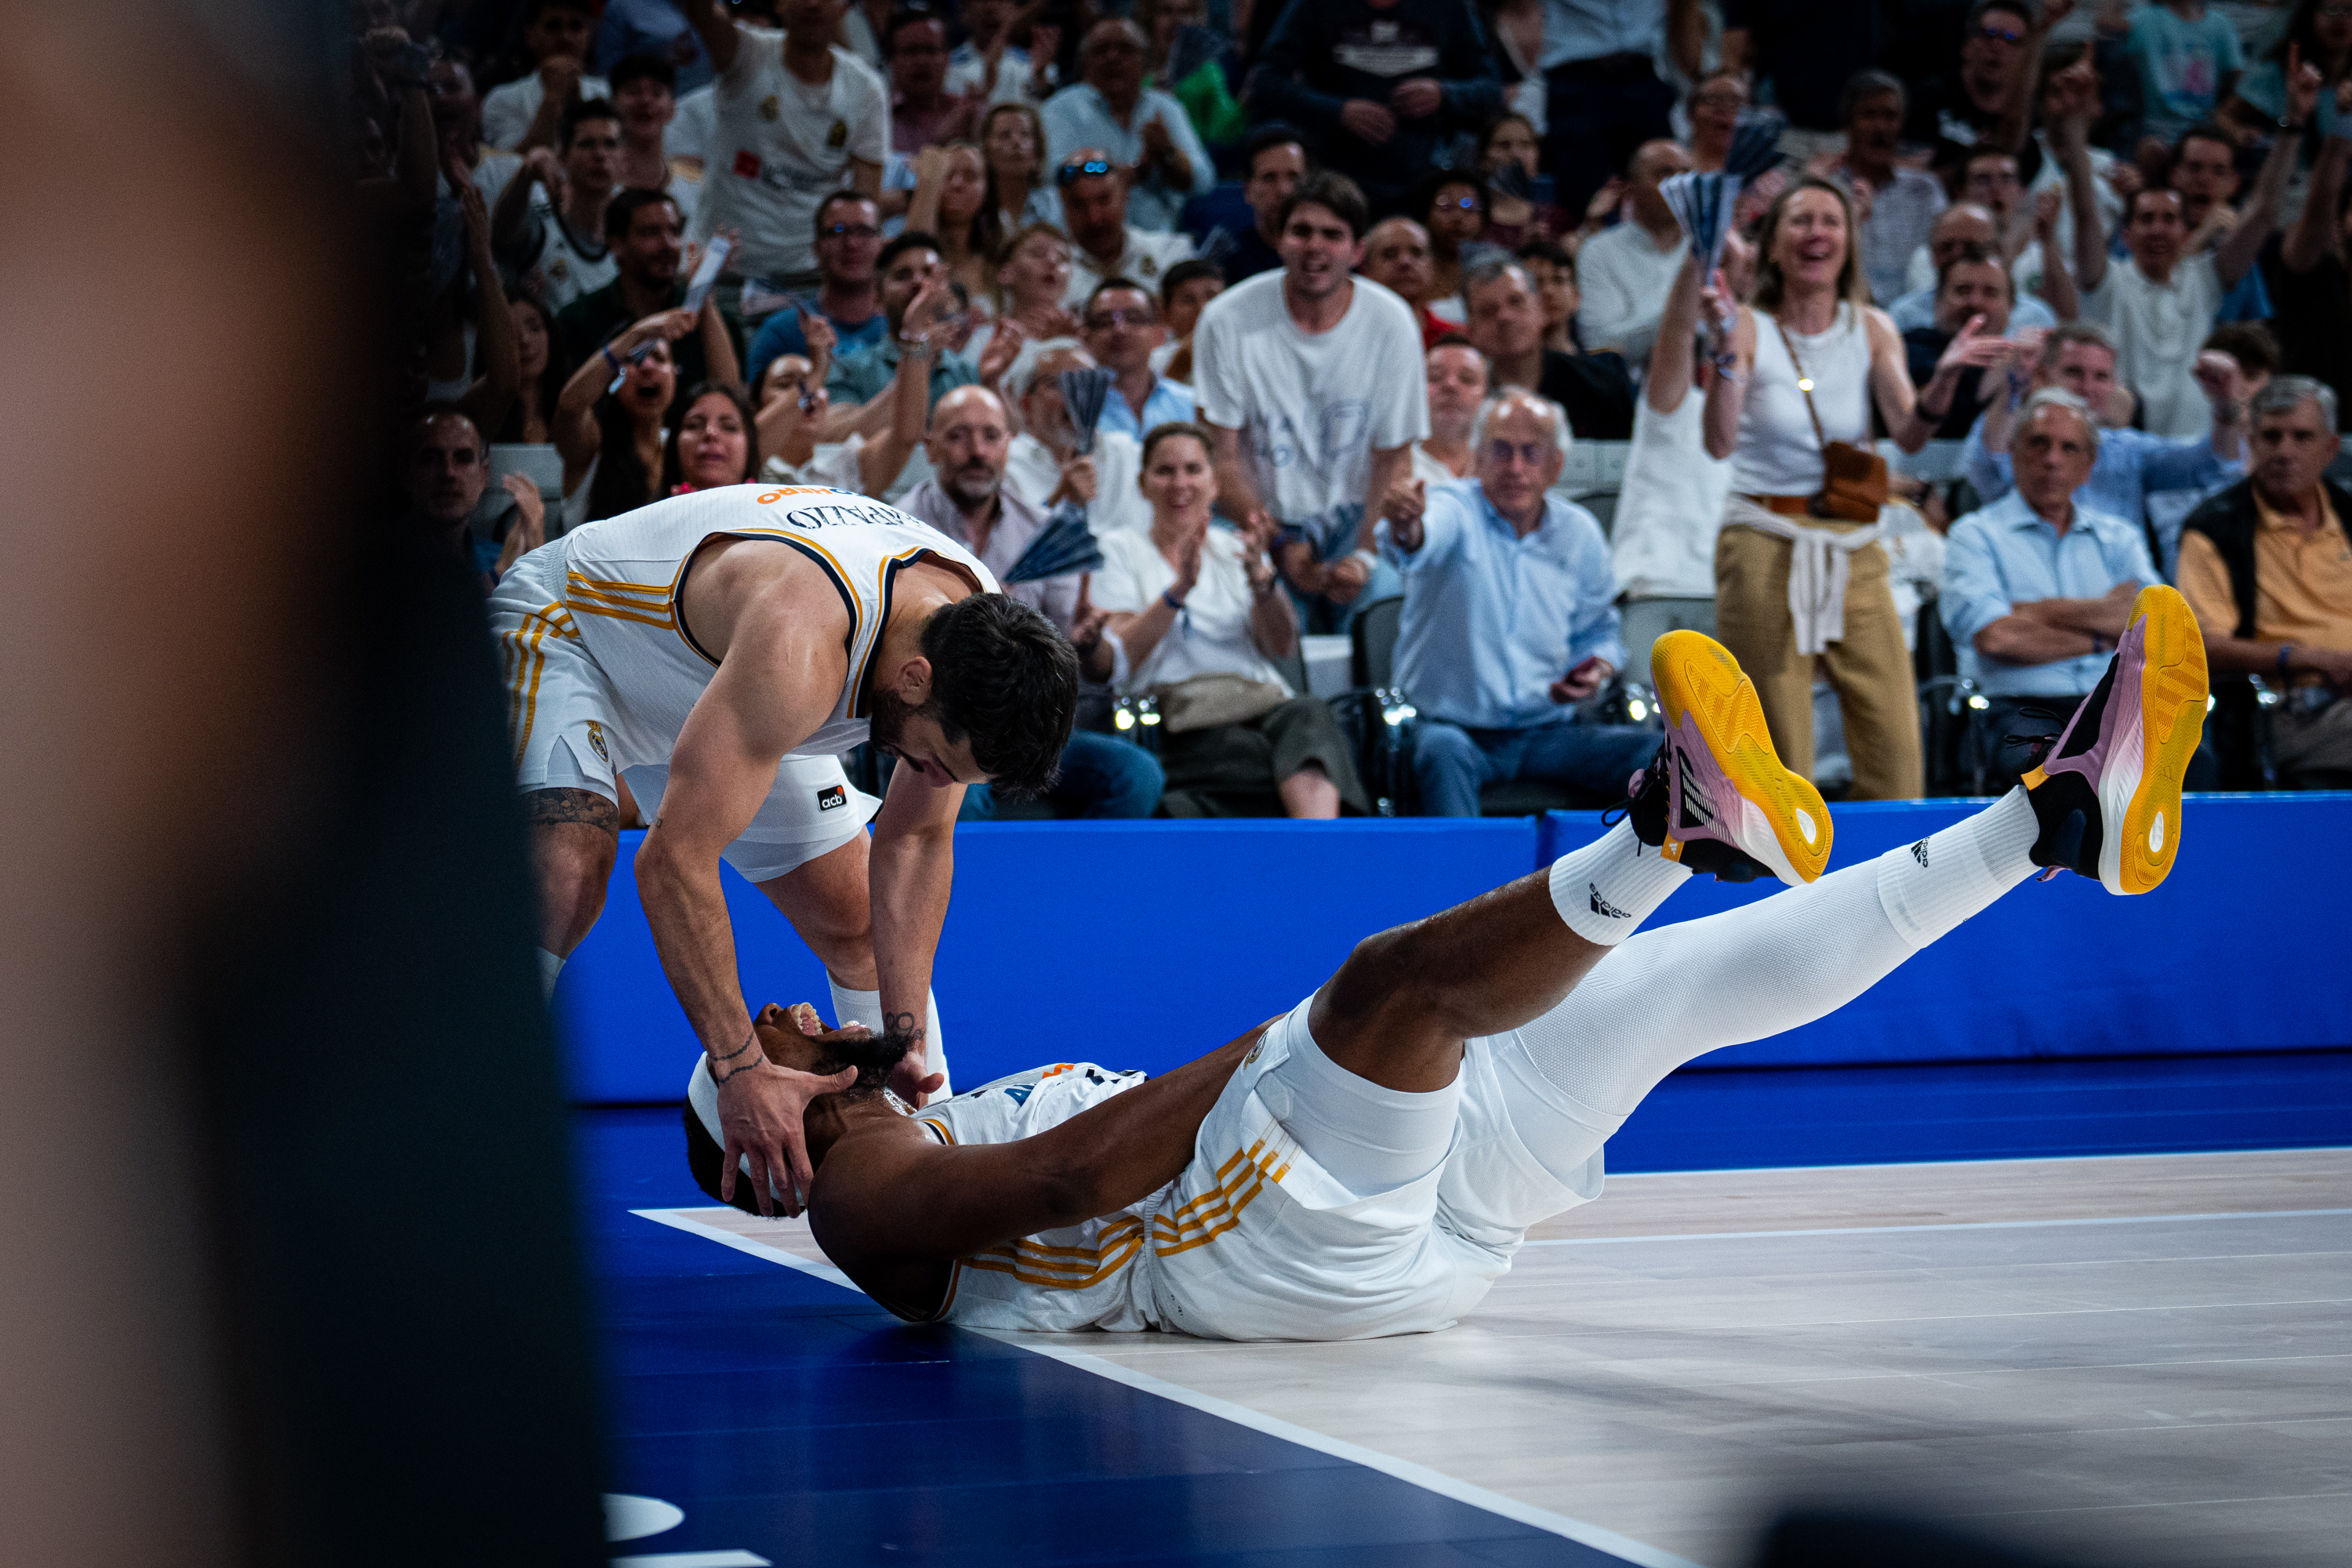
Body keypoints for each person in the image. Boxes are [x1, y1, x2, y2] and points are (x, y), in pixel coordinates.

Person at [681, 604, 2212, 1339]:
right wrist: (1277, 1040)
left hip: (1374, 1225)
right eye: (772, 1036)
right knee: (1377, 994)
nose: (794, 1013)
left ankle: (2050, 819)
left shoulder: (914, 1108)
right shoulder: (861, 1198)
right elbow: (1065, 1187)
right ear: (764, 1131)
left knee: (1667, 996)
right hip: (1240, 1260)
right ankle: (1669, 822)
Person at [488, 483, 1083, 1210]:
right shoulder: (799, 644)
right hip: (578, 632)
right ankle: (451, 1124)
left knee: (856, 922)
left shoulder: (974, 630)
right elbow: (673, 862)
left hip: (723, 688)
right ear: (915, 676)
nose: (927, 778)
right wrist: (739, 1070)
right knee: (567, 872)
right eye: (930, 762)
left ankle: (930, 1159)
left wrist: (897, 1048)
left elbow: (918, 839)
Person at [1697, 176, 1993, 800]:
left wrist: (1944, 378)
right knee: (1779, 760)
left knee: (1895, 747)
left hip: (1853, 543)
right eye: (1800, 221)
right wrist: (1723, 348)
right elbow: (1719, 443)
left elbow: (1910, 436)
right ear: (1773, 245)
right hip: (1764, 540)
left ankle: (1886, 885)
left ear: (1849, 242)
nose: (1817, 234)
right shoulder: (1746, 326)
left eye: (1830, 221)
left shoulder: (1874, 327)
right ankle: (1782, 884)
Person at [1377, 390, 1664, 815]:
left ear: (1556, 466)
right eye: (1501, 451)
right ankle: (1467, 882)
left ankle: (1622, 881)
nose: (1515, 468)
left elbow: (1600, 633)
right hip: (1454, 730)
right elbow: (1418, 537)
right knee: (1442, 754)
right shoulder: (1454, 507)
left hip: (1548, 732)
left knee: (1663, 757)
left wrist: (1596, 671)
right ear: (1477, 457)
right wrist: (1406, 525)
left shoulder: (1578, 533)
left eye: (1531, 453)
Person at [895, 385, 1167, 818]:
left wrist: (1084, 641)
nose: (978, 451)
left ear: (1009, 445)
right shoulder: (901, 531)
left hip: (1027, 729)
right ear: (929, 449)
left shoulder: (1042, 530)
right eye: (959, 436)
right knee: (962, 794)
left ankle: (1082, 888)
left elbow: (1074, 661)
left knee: (1135, 775)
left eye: (991, 436)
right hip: (938, 725)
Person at [1093, 423, 1375, 818]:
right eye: (1165, 471)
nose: (1180, 484)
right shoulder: (1118, 550)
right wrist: (1180, 590)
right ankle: (1318, 851)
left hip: (1262, 707)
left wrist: (1264, 585)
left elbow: (1282, 647)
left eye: (1193, 470)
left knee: (1311, 714)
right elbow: (1119, 655)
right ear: (1142, 484)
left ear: (1214, 484)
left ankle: (1316, 851)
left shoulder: (1232, 549)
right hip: (1179, 717)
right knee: (1289, 756)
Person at [1194, 172, 1428, 632]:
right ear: (1280, 241)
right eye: (1301, 232)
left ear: (1357, 251)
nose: (1315, 246)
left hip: (1356, 525)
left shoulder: (1391, 322)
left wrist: (1363, 556)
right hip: (1257, 524)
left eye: (1332, 235)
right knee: (1251, 619)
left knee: (1386, 606)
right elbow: (1220, 459)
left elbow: (1393, 458)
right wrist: (1279, 544)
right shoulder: (1225, 319)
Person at [2060, 49, 2310, 436]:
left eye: (2169, 220)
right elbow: (2085, 212)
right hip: (2121, 446)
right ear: (2125, 235)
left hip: (2191, 454)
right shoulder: (2105, 281)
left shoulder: (2204, 278)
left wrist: (2292, 123)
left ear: (2184, 232)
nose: (2158, 230)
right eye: (2146, 219)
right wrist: (2076, 131)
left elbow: (2262, 212)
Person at [1942, 389, 2162, 789]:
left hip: (2114, 704)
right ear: (2012, 451)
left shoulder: (2119, 538)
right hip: (2019, 708)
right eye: (2038, 443)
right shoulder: (1973, 535)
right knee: (2057, 770)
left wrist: (2036, 611)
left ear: (2088, 466)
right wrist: (2105, 636)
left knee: (2193, 763)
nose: (2052, 459)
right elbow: (1998, 637)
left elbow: (2154, 626)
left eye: (2068, 448)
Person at [2177, 376, 2352, 786]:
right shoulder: (2215, 527)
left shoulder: (2349, 516)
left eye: (2302, 437)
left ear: (2330, 448)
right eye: (2271, 437)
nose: (2284, 452)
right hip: (2281, 709)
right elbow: (2202, 648)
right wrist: (2306, 658)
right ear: (2249, 442)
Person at [1966, 324, 2253, 568]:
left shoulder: (2127, 448)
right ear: (2042, 375)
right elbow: (1992, 458)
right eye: (2074, 373)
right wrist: (2015, 384)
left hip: (2117, 593)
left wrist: (2226, 408)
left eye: (2101, 376)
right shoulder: (2020, 435)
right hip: (2032, 580)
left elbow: (2212, 464)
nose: (2088, 388)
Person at [678, 0, 887, 289]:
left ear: (844, 7)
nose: (813, 4)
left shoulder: (865, 89)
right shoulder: (747, 54)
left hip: (809, 277)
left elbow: (866, 205)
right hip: (719, 270)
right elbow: (701, 12)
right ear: (778, 3)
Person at [1250, 0, 1504, 216]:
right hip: (1335, 180)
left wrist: (1445, 94)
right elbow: (1265, 84)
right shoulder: (1315, 5)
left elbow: (1491, 90)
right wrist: (1338, 111)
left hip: (1421, 182)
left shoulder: (1447, 6)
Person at [827, 234, 1009, 499]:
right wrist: (916, 361)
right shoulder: (849, 368)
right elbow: (837, 442)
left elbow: (1008, 449)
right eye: (902, 275)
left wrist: (992, 383)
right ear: (877, 298)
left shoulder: (967, 372)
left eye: (929, 273)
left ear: (948, 293)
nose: (918, 282)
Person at [554, 189, 750, 426]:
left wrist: (702, 294)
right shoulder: (578, 320)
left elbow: (732, 406)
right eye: (650, 233)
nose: (667, 244)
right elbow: (568, 411)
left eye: (674, 232)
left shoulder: (720, 324)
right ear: (616, 245)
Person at [1041, 20, 1214, 234]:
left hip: (1157, 245)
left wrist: (1168, 155)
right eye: (1101, 50)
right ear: (1085, 62)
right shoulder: (1061, 108)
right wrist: (1121, 172)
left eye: (1125, 49)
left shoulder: (1166, 108)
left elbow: (1203, 182)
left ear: (1147, 62)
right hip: (1083, 242)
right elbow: (1052, 172)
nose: (1113, 58)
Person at [1537, 0, 1694, 216]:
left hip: (1643, 70)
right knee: (1582, 189)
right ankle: (1584, 243)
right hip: (1577, 73)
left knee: (1662, 173)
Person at [1462, 256, 1636, 440]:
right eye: (1488, 311)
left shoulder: (1602, 389)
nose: (1505, 317)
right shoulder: (1462, 401)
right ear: (1471, 330)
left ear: (1540, 309)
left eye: (1516, 302)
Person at [1820, 70, 1947, 305]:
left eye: (1890, 116)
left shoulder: (1926, 191)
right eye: (1869, 115)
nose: (1880, 128)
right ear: (1847, 123)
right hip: (1845, 307)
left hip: (1916, 314)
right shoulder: (1827, 190)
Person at [1002, 338, 1151, 538]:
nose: (1077, 395)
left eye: (1087, 381)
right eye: (1058, 384)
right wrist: (1058, 503)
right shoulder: (1008, 465)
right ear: (1027, 403)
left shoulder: (1128, 453)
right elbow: (1007, 548)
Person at [2268, 81, 2352, 428]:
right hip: (2305, 444)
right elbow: (2319, 213)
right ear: (2337, 227)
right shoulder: (2311, 272)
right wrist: (2344, 127)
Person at [742, 192, 889, 391]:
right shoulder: (781, 332)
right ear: (816, 248)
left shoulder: (900, 329)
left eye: (863, 231)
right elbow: (755, 413)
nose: (851, 243)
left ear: (882, 245)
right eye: (838, 231)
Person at [491, 98, 622, 314]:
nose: (600, 155)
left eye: (610, 144)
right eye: (587, 144)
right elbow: (504, 233)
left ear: (623, 156)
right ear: (563, 156)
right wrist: (526, 174)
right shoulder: (542, 225)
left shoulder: (635, 229)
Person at [1573, 139, 1693, 365]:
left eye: (1687, 175)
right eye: (1665, 174)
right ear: (1631, 187)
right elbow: (1601, 345)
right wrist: (1685, 314)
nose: (1680, 185)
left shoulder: (1712, 250)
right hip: (1631, 390)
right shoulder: (1599, 252)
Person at [1896, 0, 2040, 179]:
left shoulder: (2030, 118)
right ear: (1967, 45)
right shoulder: (1927, 98)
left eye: (2010, 39)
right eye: (1989, 34)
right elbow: (1901, 174)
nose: (1997, 46)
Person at [1903, 244, 2020, 440]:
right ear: (1938, 302)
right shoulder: (1907, 350)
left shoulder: (2020, 362)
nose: (1975, 302)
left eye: (1990, 292)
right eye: (1963, 291)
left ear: (2011, 307)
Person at [1055, 148, 1197, 307]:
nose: (1094, 218)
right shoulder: (1052, 274)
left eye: (1104, 200)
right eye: (1078, 205)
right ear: (1063, 207)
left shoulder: (1171, 255)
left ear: (1124, 195)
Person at [1886, 203, 2059, 332]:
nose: (1957, 255)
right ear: (1932, 254)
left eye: (1971, 247)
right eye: (1946, 247)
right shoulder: (1904, 317)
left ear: (1997, 250)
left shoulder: (2034, 319)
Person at [483, 0, 609, 152]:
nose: (565, 37)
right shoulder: (503, 99)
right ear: (530, 35)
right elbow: (509, 168)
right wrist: (552, 98)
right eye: (553, 26)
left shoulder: (609, 93)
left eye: (576, 27)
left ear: (588, 36)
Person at [2119, 0, 2246, 149]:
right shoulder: (2148, 18)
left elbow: (2241, 80)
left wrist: (2229, 119)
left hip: (2206, 126)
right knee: (2152, 150)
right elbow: (2107, 23)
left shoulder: (2220, 24)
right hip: (2159, 128)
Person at [1081, 278, 1196, 440]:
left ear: (1159, 335)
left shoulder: (1191, 403)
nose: (1119, 330)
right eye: (1105, 321)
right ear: (1086, 339)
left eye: (1134, 319)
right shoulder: (1072, 408)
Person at [1203, 126, 1309, 285]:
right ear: (1247, 190)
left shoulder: (1331, 250)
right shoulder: (1226, 258)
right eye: (1269, 178)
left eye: (1293, 177)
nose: (1283, 190)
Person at [973, 222, 1081, 375]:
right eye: (1038, 253)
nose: (1052, 261)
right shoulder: (985, 340)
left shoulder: (1079, 341)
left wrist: (1065, 344)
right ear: (1006, 273)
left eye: (1062, 258)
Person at [608, 52, 702, 202]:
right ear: (613, 104)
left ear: (671, 108)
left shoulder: (696, 187)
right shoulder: (599, 183)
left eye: (657, 93)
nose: (645, 101)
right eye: (634, 92)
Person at [975, 103, 1063, 260]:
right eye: (1005, 135)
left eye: (1025, 135)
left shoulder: (1057, 204)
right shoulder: (975, 208)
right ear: (986, 152)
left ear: (1037, 153)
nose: (1016, 142)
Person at [887, 7, 979, 154]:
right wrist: (941, 141)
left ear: (947, 59)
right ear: (891, 61)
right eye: (911, 51)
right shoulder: (881, 116)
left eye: (931, 50)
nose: (921, 61)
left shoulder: (968, 113)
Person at [1477, 113, 1570, 249]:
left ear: (1537, 154)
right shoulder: (1473, 219)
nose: (1516, 154)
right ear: (1484, 158)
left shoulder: (1558, 219)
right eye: (1504, 145)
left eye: (1525, 145)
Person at [1359, 218, 1451, 348]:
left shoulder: (1453, 337)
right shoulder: (1353, 336)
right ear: (1366, 270)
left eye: (1416, 252)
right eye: (1390, 254)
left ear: (1431, 267)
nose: (1405, 262)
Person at [946, 0, 1058, 107]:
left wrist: (1041, 84)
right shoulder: (947, 67)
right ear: (964, 11)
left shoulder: (1036, 66)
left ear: (1014, 9)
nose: (991, 7)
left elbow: (1046, 120)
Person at [661, 382, 764, 493]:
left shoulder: (779, 508)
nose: (710, 432)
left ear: (750, 445)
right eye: (694, 425)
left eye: (729, 427)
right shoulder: (648, 510)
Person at [1413, 337, 1486, 481]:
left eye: (1467, 379)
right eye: (1435, 377)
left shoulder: (1502, 468)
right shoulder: (1397, 467)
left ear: (1485, 395)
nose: (1450, 385)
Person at [1422, 170, 1490, 320]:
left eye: (1470, 209)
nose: (1458, 218)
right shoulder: (1410, 273)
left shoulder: (1494, 277)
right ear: (1425, 215)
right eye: (1447, 207)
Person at [1154, 256, 1223, 383]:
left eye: (1211, 297)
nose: (1203, 309)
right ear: (1165, 313)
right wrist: (1179, 366)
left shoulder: (1246, 353)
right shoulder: (1153, 362)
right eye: (1188, 300)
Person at [1517, 238, 1583, 354]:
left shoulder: (1603, 368)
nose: (1548, 291)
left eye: (1558, 280)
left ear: (1576, 296)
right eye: (1537, 283)